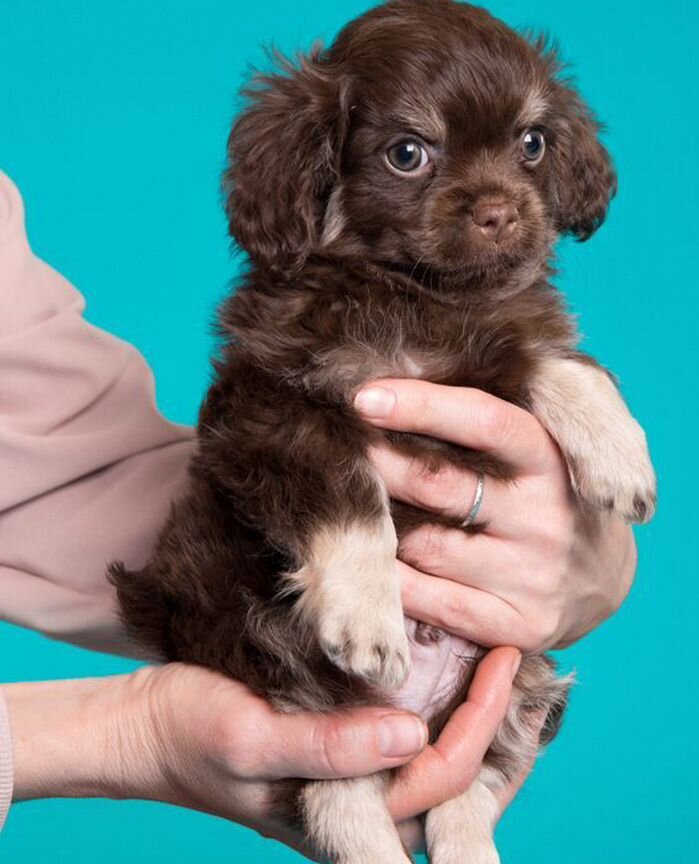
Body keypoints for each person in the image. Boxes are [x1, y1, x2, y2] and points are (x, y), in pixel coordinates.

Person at [0, 171, 637, 857]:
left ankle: (462, 806)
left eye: (531, 147)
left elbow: (70, 464)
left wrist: (557, 535)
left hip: (410, 688)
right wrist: (131, 732)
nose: (496, 201)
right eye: (406, 154)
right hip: (310, 671)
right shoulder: (307, 305)